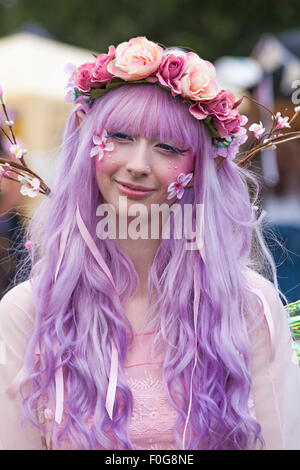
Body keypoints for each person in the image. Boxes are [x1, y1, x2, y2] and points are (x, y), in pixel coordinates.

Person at [0, 36, 300, 451]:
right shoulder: (30, 311)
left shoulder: (249, 307)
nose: (138, 165)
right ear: (87, 145)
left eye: (167, 146)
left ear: (199, 167)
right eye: (120, 136)